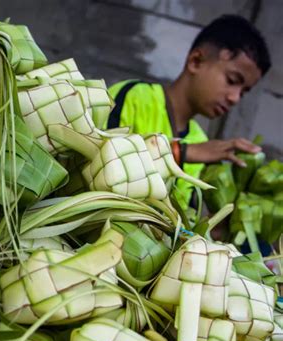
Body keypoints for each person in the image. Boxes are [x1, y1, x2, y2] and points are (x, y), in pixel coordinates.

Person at [107, 14, 271, 208]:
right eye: (232, 81)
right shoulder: (134, 96)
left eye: (243, 92)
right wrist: (182, 152)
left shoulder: (201, 141)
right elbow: (101, 164)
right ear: (196, 61)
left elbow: (183, 220)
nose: (235, 98)